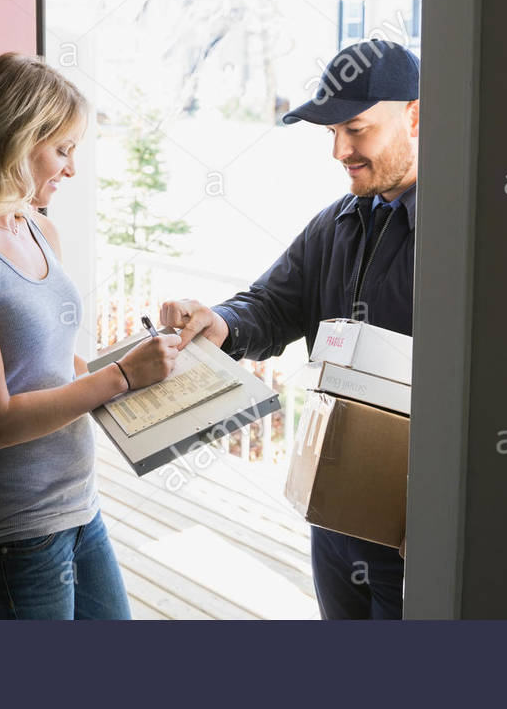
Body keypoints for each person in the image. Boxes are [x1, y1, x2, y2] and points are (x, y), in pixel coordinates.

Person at [0, 52, 179, 619]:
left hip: (79, 509)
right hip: (7, 536)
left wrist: (138, 373)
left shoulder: (40, 230)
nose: (71, 169)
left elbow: (52, 367)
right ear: (15, 141)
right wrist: (122, 376)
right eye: (63, 149)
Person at [160, 39, 420, 620]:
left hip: (416, 531)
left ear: (416, 115)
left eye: (355, 129)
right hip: (331, 517)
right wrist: (218, 322)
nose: (339, 151)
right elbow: (272, 306)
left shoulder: (458, 238)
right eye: (330, 133)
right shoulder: (336, 223)